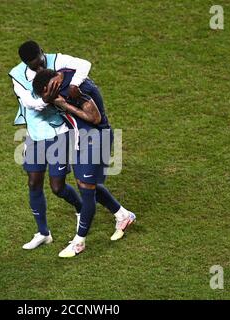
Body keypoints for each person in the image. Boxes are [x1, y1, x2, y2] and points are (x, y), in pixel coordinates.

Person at [33, 68, 136, 258]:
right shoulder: (63, 79)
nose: (45, 98)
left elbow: (95, 118)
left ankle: (79, 242)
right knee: (87, 184)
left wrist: (64, 104)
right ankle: (123, 215)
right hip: (84, 139)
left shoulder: (73, 90)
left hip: (96, 138)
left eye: (45, 93)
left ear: (50, 85)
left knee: (87, 190)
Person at [8, 41, 92, 250]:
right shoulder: (17, 75)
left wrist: (75, 84)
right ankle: (43, 233)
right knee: (33, 182)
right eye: (33, 66)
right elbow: (30, 103)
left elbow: (85, 64)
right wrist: (48, 98)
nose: (38, 69)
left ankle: (82, 208)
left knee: (57, 187)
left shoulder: (58, 60)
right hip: (35, 136)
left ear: (42, 53)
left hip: (59, 134)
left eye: (40, 63)